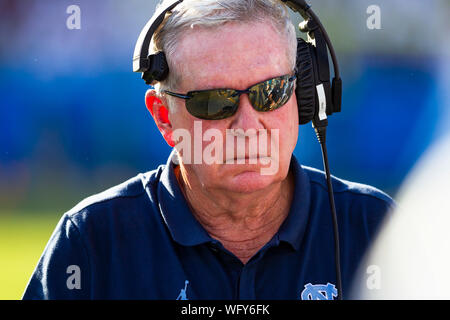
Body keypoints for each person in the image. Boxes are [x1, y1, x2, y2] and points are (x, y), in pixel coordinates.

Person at [23, 0, 394, 300]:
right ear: (164, 117)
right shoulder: (90, 243)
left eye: (272, 92)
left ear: (303, 95)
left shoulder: (377, 229)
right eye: (216, 102)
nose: (248, 128)